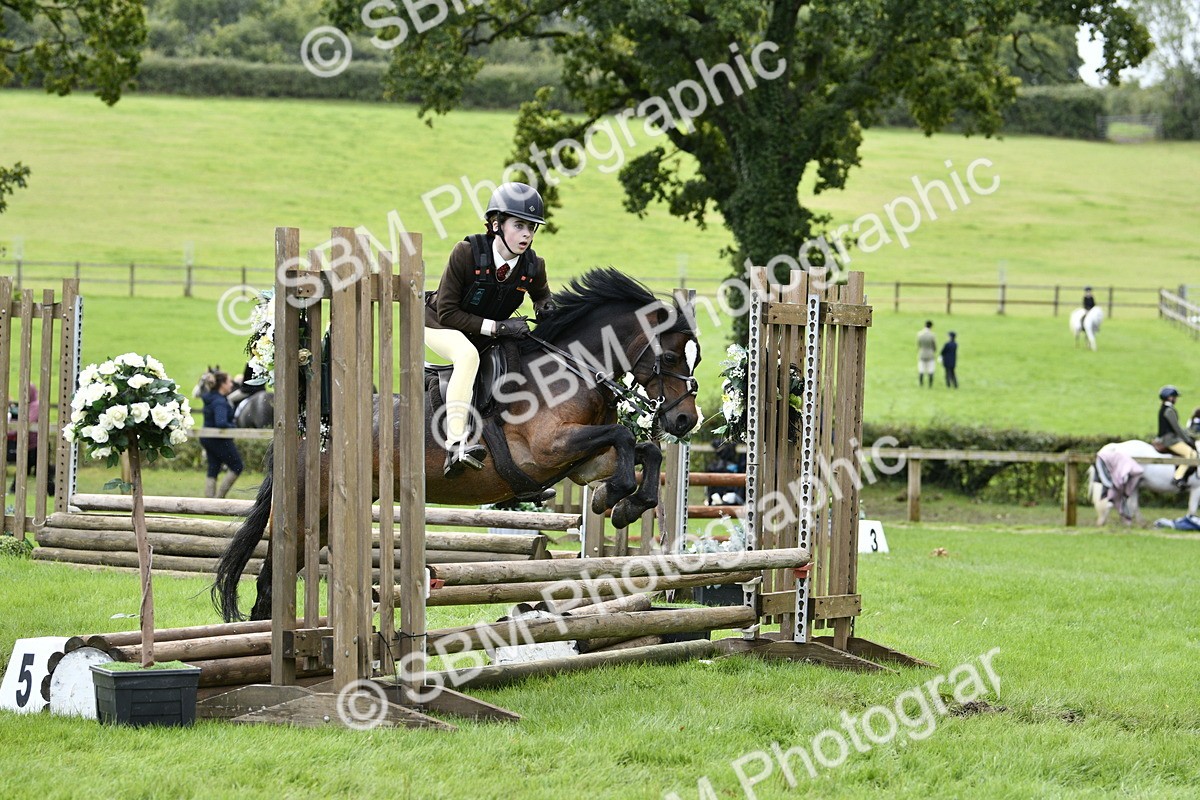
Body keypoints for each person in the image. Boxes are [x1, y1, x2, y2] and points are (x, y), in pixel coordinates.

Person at [424, 181, 553, 477]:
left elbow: (542, 296)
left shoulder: (533, 265)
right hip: (439, 325)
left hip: (484, 333)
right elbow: (447, 311)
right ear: (496, 224)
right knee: (468, 356)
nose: (527, 235)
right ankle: (457, 444)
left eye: (532, 228)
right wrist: (498, 327)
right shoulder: (466, 253)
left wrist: (545, 307)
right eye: (519, 225)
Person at [198, 369, 243, 498]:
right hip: (218, 439)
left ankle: (210, 502)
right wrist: (233, 426)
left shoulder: (212, 398)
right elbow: (221, 423)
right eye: (229, 382)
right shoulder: (219, 402)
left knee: (214, 467)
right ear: (222, 384)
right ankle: (219, 499)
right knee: (237, 466)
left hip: (207, 437)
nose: (231, 385)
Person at [1156, 385, 1197, 490]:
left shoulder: (1165, 408)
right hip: (1170, 440)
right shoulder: (1169, 410)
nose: (1176, 399)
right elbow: (1177, 428)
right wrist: (1187, 439)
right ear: (1170, 397)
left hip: (1168, 438)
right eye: (1175, 397)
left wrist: (1188, 434)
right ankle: (1177, 477)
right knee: (1191, 453)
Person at [916, 320, 936, 387]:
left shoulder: (919, 334)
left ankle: (921, 384)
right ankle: (930, 385)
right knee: (930, 370)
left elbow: (919, 344)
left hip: (922, 353)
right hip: (930, 354)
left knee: (921, 370)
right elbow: (934, 346)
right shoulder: (932, 335)